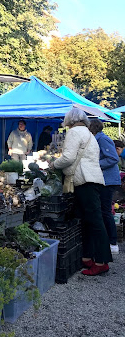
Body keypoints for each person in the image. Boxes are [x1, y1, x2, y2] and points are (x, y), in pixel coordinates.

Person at [50, 108, 112, 276]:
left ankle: (101, 261)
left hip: (84, 180)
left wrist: (53, 165)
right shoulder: (88, 133)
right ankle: (88, 257)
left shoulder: (74, 133)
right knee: (89, 220)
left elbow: (68, 158)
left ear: (69, 120)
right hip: (94, 179)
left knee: (95, 221)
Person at [89, 120, 120, 255]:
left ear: (92, 129)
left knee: (106, 211)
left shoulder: (103, 139)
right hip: (104, 180)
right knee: (104, 210)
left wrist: (95, 163)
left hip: (108, 180)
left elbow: (113, 158)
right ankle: (108, 240)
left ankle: (113, 242)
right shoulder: (99, 138)